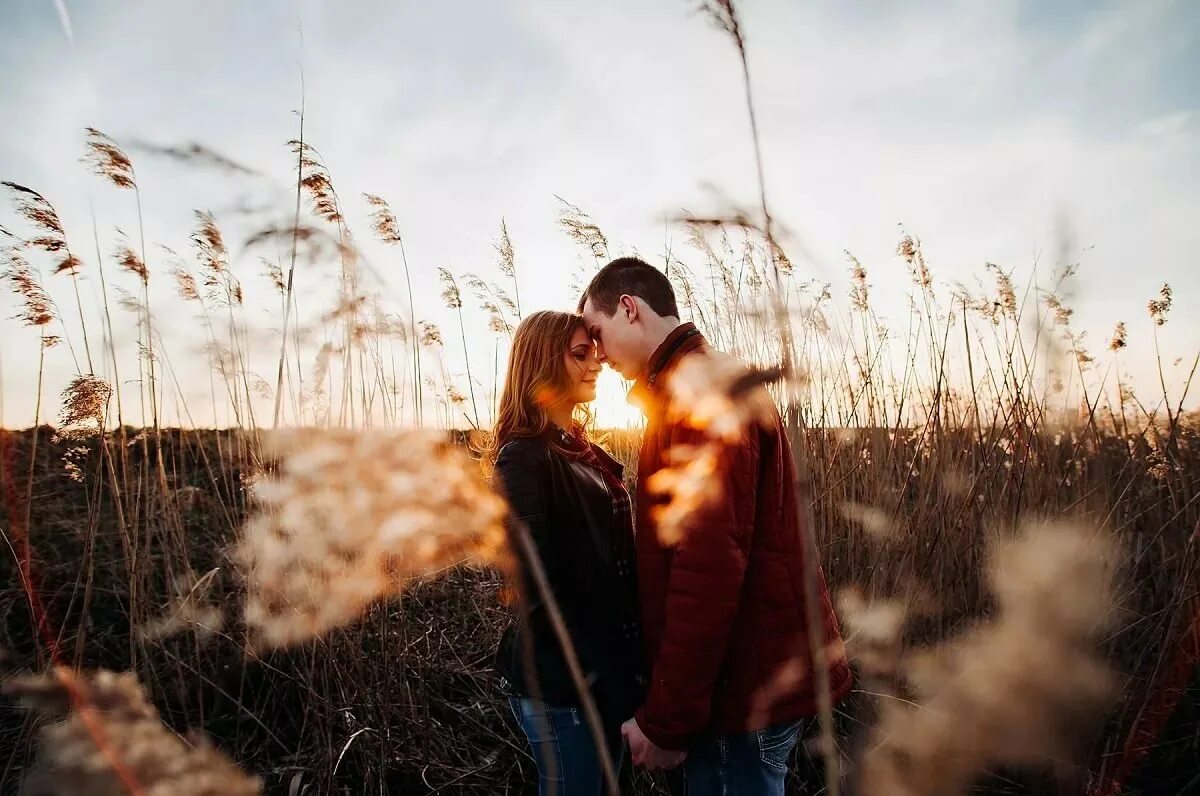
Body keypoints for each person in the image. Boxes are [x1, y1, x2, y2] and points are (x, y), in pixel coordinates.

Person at [579, 258, 853, 795]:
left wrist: (668, 721)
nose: (596, 352)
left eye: (597, 331)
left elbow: (708, 570)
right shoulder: (700, 383)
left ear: (629, 309)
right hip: (751, 682)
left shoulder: (698, 396)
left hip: (739, 695)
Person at [488, 310, 646, 795]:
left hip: (600, 675)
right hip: (562, 683)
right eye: (580, 354)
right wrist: (598, 675)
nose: (595, 363)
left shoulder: (579, 449)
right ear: (541, 362)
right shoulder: (523, 457)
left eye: (595, 353)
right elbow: (538, 587)